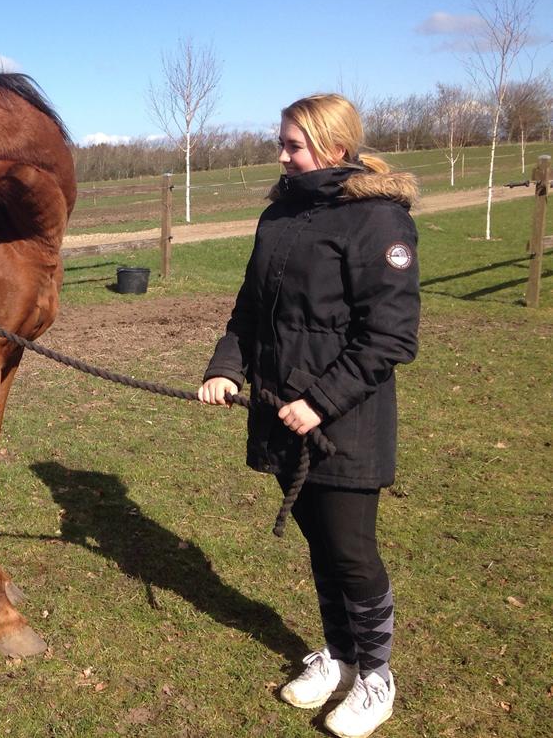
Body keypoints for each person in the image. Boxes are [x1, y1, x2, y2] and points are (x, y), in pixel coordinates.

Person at [198, 93, 420, 738]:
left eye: (293, 145)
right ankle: (341, 657)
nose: (282, 154)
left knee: (351, 552)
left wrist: (320, 401)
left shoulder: (377, 221)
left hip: (342, 421)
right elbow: (250, 308)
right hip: (278, 411)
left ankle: (376, 675)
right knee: (319, 546)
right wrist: (224, 367)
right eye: (283, 142)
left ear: (335, 149)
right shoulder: (281, 215)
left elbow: (391, 336)